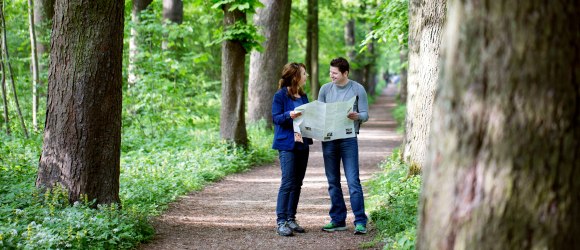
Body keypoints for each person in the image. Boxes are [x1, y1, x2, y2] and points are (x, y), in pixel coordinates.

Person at [318, 57, 369, 235]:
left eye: (335, 73)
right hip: (329, 139)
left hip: (349, 140)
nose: (331, 76)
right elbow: (319, 114)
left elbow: (365, 114)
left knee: (353, 181)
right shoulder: (325, 89)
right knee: (333, 182)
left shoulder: (357, 89)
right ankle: (338, 220)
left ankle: (360, 221)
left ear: (345, 73)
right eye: (330, 72)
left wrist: (357, 116)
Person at [272, 62, 313, 236]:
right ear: (296, 76)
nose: (307, 76)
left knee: (298, 183)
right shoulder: (280, 95)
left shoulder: (303, 96)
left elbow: (309, 118)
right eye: (304, 73)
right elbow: (275, 118)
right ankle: (281, 222)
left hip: (302, 144)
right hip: (286, 144)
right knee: (288, 182)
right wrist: (289, 115)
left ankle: (291, 219)